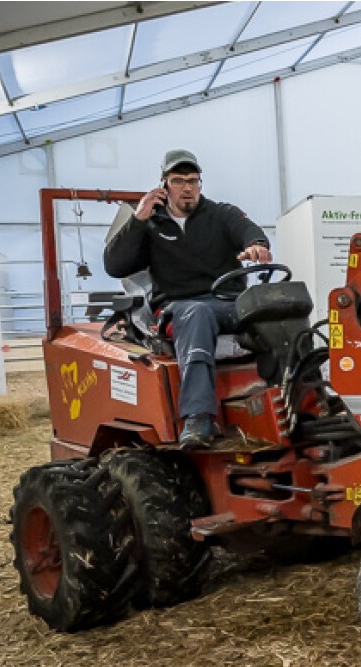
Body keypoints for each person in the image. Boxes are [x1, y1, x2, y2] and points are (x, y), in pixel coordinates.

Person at [104, 150, 272, 449]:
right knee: (197, 313)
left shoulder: (221, 214)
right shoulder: (151, 225)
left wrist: (257, 245)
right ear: (164, 186)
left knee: (276, 306)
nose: (187, 187)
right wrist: (139, 218)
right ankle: (197, 417)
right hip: (179, 306)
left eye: (192, 181)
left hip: (227, 300)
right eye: (178, 180)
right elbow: (115, 266)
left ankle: (299, 398)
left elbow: (247, 230)